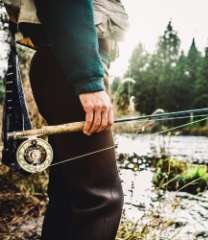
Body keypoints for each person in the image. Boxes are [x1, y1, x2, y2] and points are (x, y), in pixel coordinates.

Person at [3, 0, 129, 239]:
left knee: (68, 196)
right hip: (70, 71)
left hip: (65, 67)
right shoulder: (82, 78)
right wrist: (89, 81)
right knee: (101, 201)